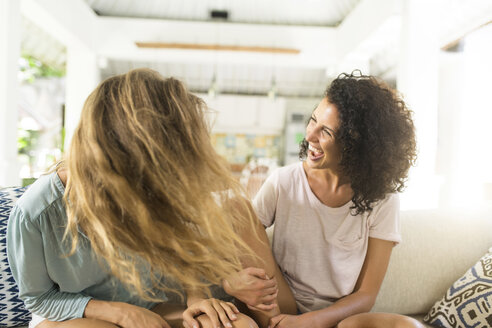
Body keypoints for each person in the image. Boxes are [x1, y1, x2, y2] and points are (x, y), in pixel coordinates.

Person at [7, 68, 296, 328]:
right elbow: (38, 298)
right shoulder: (36, 212)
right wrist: (120, 313)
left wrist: (196, 300)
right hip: (82, 317)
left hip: (156, 306)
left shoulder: (149, 191)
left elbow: (187, 253)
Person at [231, 72, 423, 328]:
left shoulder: (383, 200)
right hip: (280, 307)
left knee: (409, 325)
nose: (310, 136)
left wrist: (311, 322)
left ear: (356, 145)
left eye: (326, 132)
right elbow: (239, 244)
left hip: (340, 318)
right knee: (237, 208)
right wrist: (230, 282)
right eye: (313, 121)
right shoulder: (284, 182)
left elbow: (366, 295)